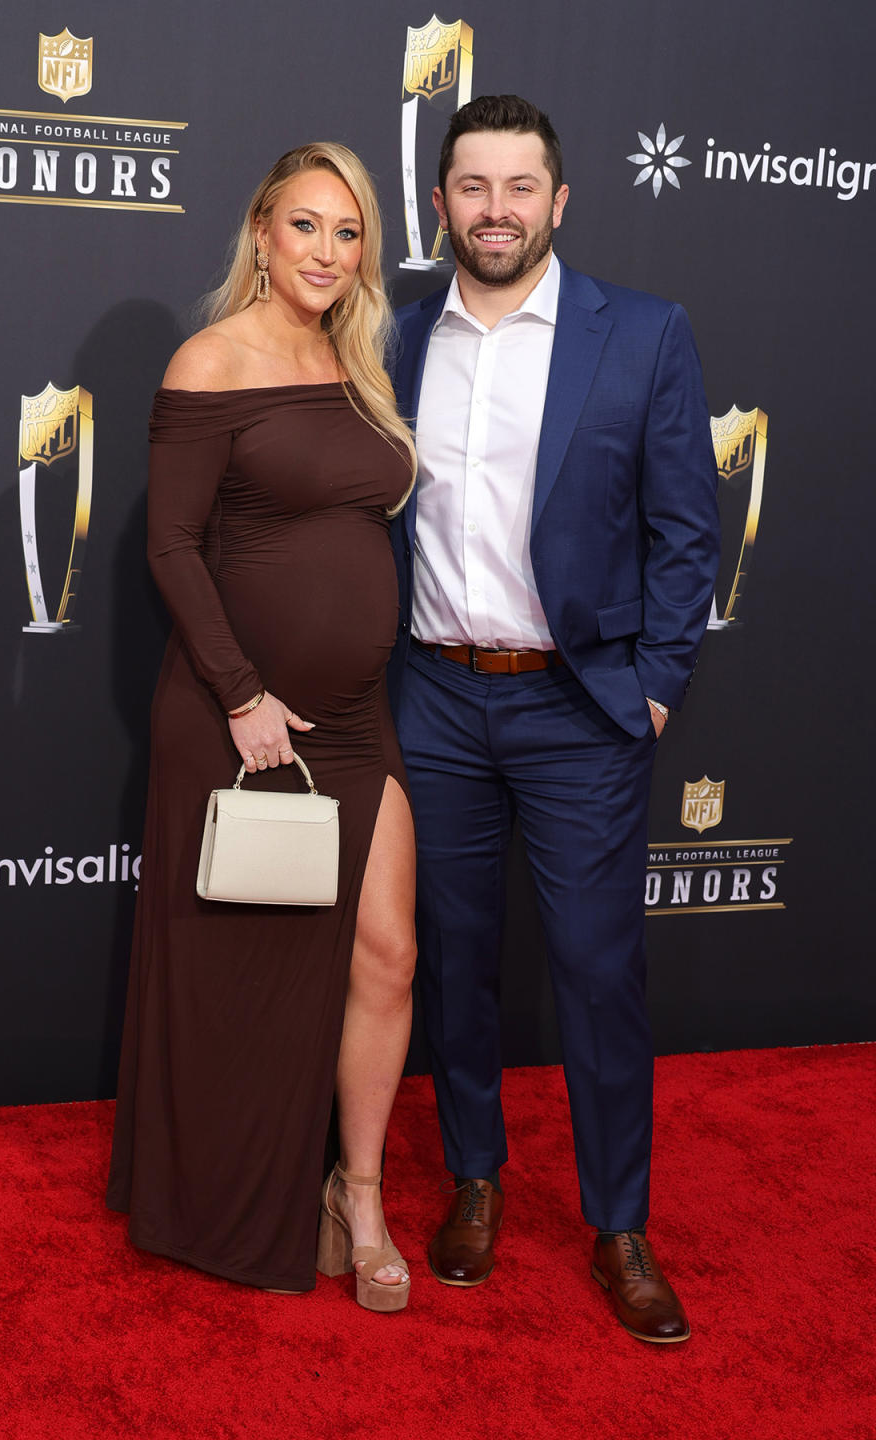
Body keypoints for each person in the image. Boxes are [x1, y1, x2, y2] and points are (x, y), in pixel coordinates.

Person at [388, 96, 720, 1342]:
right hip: (433, 696)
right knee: (455, 960)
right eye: (472, 187)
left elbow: (690, 528)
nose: (495, 211)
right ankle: (474, 1176)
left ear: (559, 202)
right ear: (442, 204)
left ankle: (618, 1222)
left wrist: (658, 678)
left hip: (579, 706)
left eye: (520, 188)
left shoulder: (639, 333)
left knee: (596, 970)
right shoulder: (398, 340)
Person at [107, 143, 417, 1311]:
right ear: (260, 232)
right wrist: (241, 693)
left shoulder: (357, 365)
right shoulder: (212, 357)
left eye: (349, 233)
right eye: (307, 226)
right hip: (239, 720)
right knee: (241, 969)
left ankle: (362, 1193)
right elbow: (171, 546)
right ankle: (222, 1198)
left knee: (387, 954)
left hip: (352, 717)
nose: (328, 252)